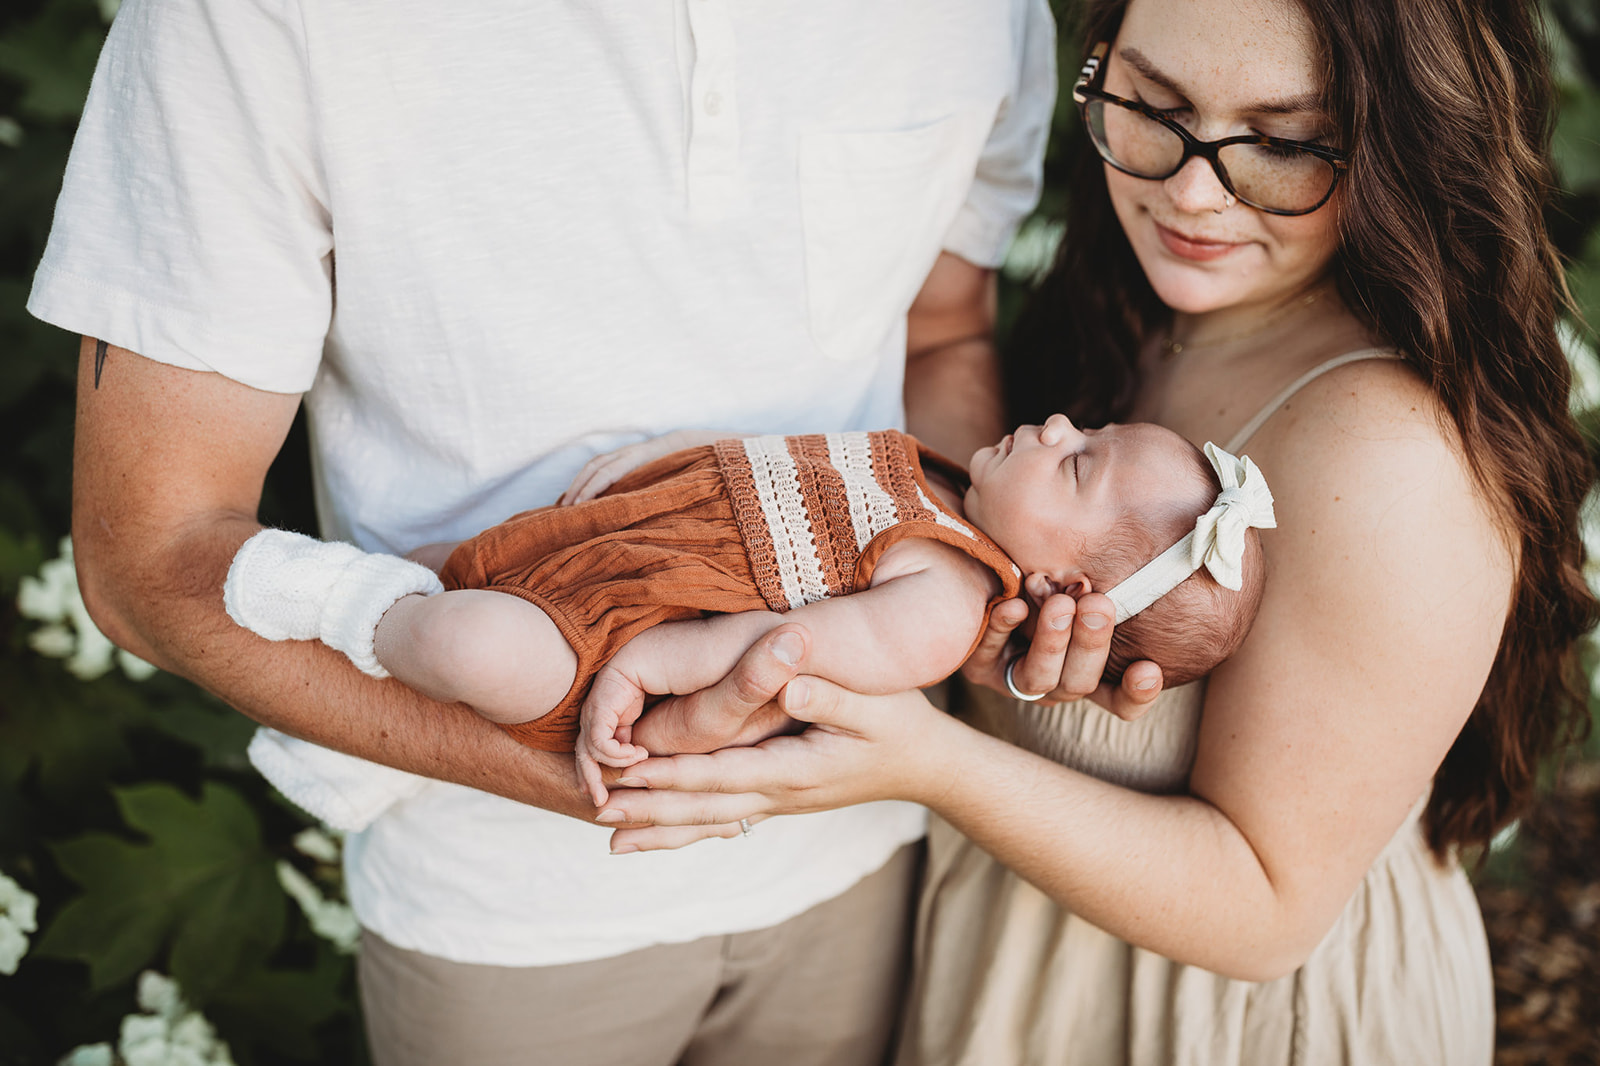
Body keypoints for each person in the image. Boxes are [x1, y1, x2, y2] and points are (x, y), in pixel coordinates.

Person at [25, 2, 1145, 1063]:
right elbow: (149, 558)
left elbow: (941, 336)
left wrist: (975, 589)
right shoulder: (259, 23)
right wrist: (605, 766)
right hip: (502, 911)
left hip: (861, 853)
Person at [588, 0, 1599, 1062]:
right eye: (1151, 107)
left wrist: (922, 759)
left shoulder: (1386, 456)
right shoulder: (1147, 320)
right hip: (1028, 974)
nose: (1189, 191)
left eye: (1284, 143)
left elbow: (1266, 910)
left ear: (1404, 143)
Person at [221, 421, 1271, 809]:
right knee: (459, 564)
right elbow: (778, 466)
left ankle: (346, 606)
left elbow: (782, 646)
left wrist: (648, 664)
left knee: (467, 639)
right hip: (616, 546)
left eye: (1076, 459)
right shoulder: (932, 478)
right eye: (1083, 424)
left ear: (1071, 594)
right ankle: (360, 744)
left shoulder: (948, 602)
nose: (1051, 421)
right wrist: (663, 458)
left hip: (618, 643)